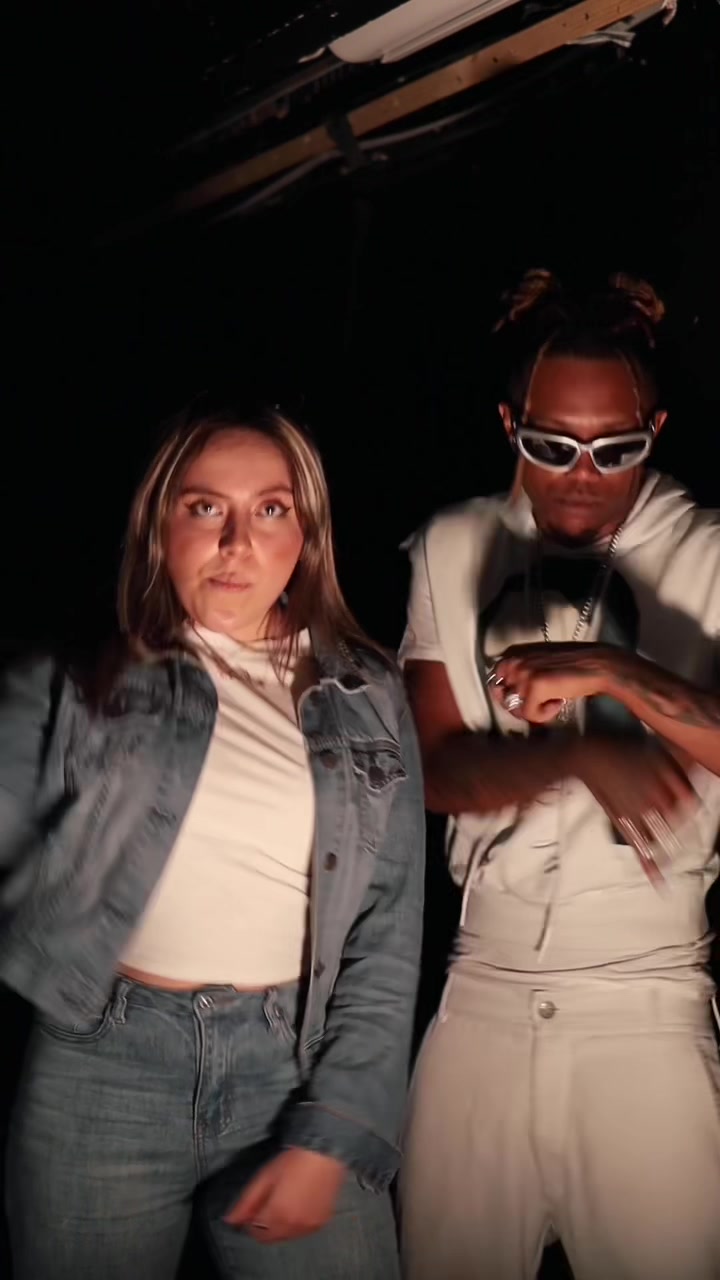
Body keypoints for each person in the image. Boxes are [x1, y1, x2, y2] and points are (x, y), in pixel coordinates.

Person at [1, 403, 425, 1280]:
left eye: (270, 510)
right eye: (205, 508)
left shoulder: (367, 690)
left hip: (292, 1064)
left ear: (307, 533)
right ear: (159, 525)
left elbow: (388, 933)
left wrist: (339, 1124)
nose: (237, 543)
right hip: (101, 1065)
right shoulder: (83, 672)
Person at [398, 271, 720, 1280]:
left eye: (615, 449)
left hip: (646, 993)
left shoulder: (712, 553)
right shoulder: (451, 544)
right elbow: (432, 767)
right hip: (481, 990)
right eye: (551, 444)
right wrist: (574, 752)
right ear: (511, 425)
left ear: (654, 430)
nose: (583, 474)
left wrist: (616, 672)